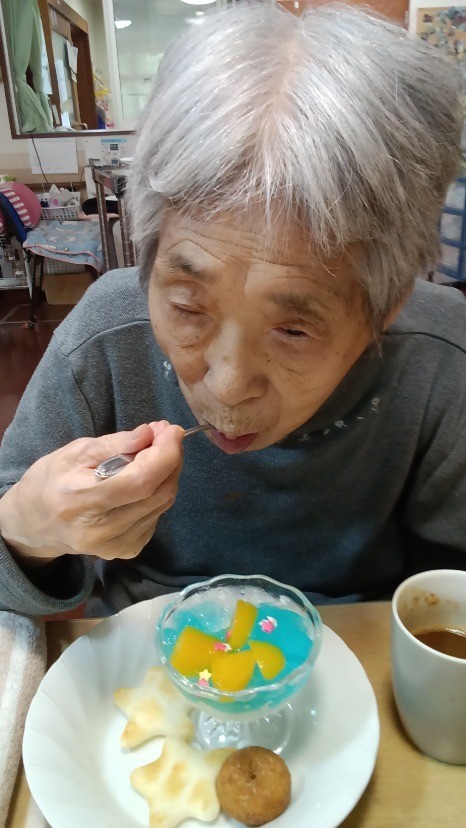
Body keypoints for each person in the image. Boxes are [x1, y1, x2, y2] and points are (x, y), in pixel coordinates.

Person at [0, 3, 465, 617]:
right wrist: (26, 531)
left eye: (293, 329)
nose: (226, 386)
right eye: (188, 307)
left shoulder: (442, 359)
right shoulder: (106, 338)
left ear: (387, 307)